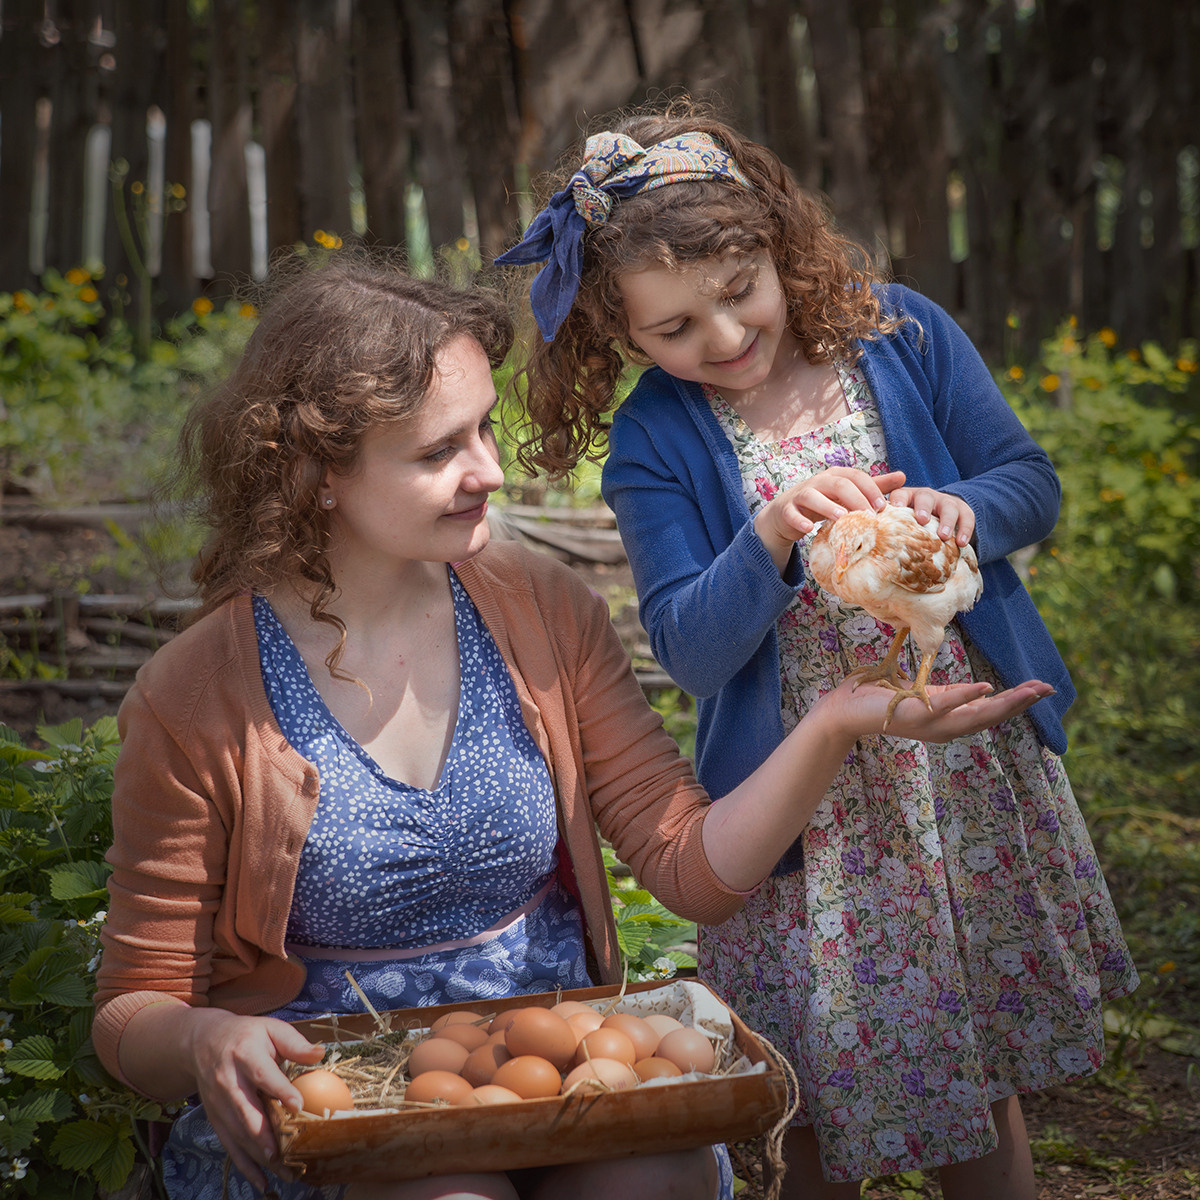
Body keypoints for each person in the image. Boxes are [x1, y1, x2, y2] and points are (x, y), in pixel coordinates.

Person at [90, 252, 1052, 1200]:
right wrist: (206, 1038)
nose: (491, 474)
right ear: (311, 474)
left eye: (483, 432)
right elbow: (136, 1012)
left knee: (658, 1172)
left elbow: (687, 866)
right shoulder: (198, 694)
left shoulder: (541, 606)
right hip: (334, 1102)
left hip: (552, 1069)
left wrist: (837, 723)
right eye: (439, 452)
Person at [498, 98, 1139, 1199]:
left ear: (779, 248)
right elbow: (693, 653)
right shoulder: (658, 437)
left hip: (955, 768)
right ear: (618, 335)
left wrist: (962, 509)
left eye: (741, 294)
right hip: (803, 807)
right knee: (801, 1091)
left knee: (977, 1073)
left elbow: (1029, 480)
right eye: (674, 331)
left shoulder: (901, 333)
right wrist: (772, 532)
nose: (727, 340)